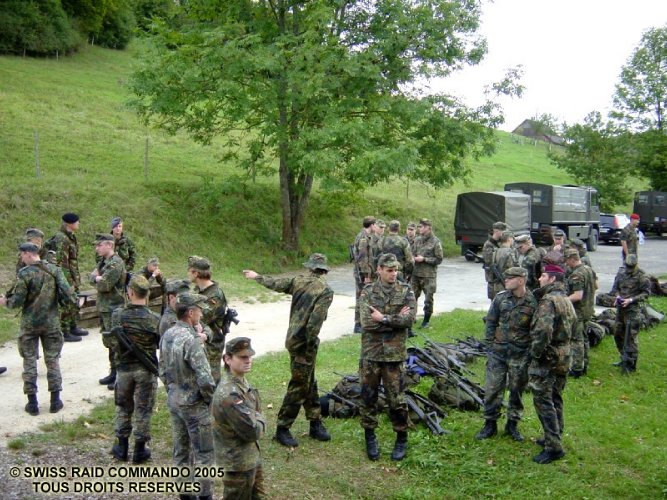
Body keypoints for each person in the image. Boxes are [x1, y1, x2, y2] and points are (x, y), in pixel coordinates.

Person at [243, 253, 334, 448]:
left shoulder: (298, 281)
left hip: (293, 340)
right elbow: (315, 322)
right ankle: (282, 428)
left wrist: (257, 276)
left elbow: (276, 283)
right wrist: (309, 345)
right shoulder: (325, 290)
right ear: (324, 270)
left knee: (309, 381)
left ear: (310, 267)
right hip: (304, 344)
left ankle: (315, 421)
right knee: (299, 385)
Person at [0, 242, 76, 415]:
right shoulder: (55, 270)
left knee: (29, 361)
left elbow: (17, 301)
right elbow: (67, 293)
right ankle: (55, 401)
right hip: (51, 323)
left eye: (21, 254)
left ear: (28, 253)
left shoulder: (24, 274)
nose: (21, 258)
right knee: (52, 360)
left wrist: (6, 302)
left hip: (30, 324)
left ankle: (32, 403)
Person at [359, 253, 416, 461]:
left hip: (394, 356)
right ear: (379, 270)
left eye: (396, 270)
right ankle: (370, 436)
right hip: (371, 354)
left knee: (397, 399)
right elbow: (367, 323)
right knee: (368, 397)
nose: (394, 274)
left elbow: (409, 320)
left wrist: (382, 318)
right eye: (390, 270)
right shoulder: (367, 292)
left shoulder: (406, 290)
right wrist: (395, 320)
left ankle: (401, 437)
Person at [160, 292, 216, 500]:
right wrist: (210, 401)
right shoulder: (191, 341)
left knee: (181, 451)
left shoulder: (168, 334)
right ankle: (205, 495)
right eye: (199, 310)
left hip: (175, 400)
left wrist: (172, 390)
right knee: (204, 453)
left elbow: (162, 368)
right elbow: (205, 379)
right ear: (191, 313)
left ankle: (185, 494)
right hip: (194, 405)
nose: (201, 314)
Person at [475, 267, 537, 442]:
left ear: (521, 280)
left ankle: (512, 425)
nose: (506, 280)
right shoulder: (500, 298)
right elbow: (491, 322)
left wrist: (531, 352)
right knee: (492, 389)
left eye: (510, 278)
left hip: (520, 354)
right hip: (498, 353)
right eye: (506, 277)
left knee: (517, 390)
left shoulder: (533, 301)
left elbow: (536, 329)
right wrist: (490, 345)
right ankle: (490, 424)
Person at [109, 275, 160, 463]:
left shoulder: (117, 315)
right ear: (147, 294)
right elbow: (159, 343)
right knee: (143, 409)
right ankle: (140, 449)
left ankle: (121, 447)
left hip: (123, 370)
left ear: (130, 292)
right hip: (146, 371)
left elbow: (110, 342)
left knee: (123, 407)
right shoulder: (154, 318)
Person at [529, 264, 576, 464]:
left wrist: (535, 353)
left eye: (543, 276)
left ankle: (554, 447)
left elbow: (543, 331)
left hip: (548, 357)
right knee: (556, 396)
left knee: (543, 400)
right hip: (564, 354)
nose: (539, 279)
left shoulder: (548, 301)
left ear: (552, 279)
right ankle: (555, 433)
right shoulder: (565, 299)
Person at [212, 337, 266, 499]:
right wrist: (261, 418)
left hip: (249, 457)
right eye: (242, 357)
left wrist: (255, 416)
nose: (248, 360)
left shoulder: (240, 382)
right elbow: (252, 431)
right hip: (238, 464)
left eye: (249, 356)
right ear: (227, 359)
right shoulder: (229, 394)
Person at [91, 233, 127, 390]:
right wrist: (95, 278)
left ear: (110, 245)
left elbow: (105, 285)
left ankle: (120, 375)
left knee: (117, 343)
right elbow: (92, 277)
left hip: (114, 308)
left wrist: (97, 278)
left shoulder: (116, 263)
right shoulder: (103, 262)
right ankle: (113, 371)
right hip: (105, 308)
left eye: (99, 245)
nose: (97, 248)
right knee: (109, 342)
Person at [188, 256, 228, 384]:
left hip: (211, 344)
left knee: (210, 380)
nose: (188, 273)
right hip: (198, 341)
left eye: (189, 270)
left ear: (196, 273)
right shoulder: (197, 290)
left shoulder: (215, 295)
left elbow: (199, 318)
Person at [610, 254, 650, 373]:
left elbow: (646, 293)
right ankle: (624, 357)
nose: (629, 270)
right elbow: (615, 288)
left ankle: (631, 363)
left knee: (630, 337)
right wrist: (617, 297)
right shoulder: (621, 272)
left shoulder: (642, 276)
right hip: (620, 308)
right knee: (618, 333)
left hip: (633, 310)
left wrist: (631, 300)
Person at [51, 212, 87, 342]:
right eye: (77, 222)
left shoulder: (71, 237)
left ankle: (73, 326)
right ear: (69, 224)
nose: (78, 223)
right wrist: (66, 281)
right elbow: (61, 262)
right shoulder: (62, 238)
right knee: (66, 303)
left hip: (72, 275)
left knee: (74, 301)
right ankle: (64, 331)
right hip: (66, 276)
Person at [564, 249, 597, 377]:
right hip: (588, 309)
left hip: (579, 312)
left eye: (567, 260)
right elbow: (596, 286)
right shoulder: (589, 269)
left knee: (576, 339)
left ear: (572, 259)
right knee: (584, 338)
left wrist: (563, 301)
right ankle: (585, 362)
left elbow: (577, 295)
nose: (566, 263)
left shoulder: (576, 275)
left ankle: (577, 368)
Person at [411, 218, 443, 329]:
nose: (419, 229)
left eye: (422, 227)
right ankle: (411, 318)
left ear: (428, 228)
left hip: (429, 275)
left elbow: (439, 259)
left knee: (428, 299)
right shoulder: (417, 240)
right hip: (416, 274)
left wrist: (424, 259)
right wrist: (413, 258)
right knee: (412, 297)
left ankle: (426, 321)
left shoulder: (435, 241)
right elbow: (412, 253)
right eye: (419, 226)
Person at [352, 216, 377, 333]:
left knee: (364, 297)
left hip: (364, 273)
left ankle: (362, 322)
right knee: (361, 297)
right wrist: (366, 275)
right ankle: (358, 324)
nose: (376, 227)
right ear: (372, 225)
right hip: (362, 275)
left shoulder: (366, 236)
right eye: (375, 224)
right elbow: (362, 258)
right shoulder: (363, 238)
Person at [482, 222, 507, 300]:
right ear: (496, 231)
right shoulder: (489, 244)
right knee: (494, 298)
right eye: (502, 231)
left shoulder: (500, 243)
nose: (504, 234)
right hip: (492, 276)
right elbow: (488, 260)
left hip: (500, 275)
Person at [491, 231, 517, 297]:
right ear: (509, 239)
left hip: (496, 285)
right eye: (513, 238)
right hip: (506, 283)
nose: (513, 240)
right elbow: (512, 269)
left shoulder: (496, 251)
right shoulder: (510, 252)